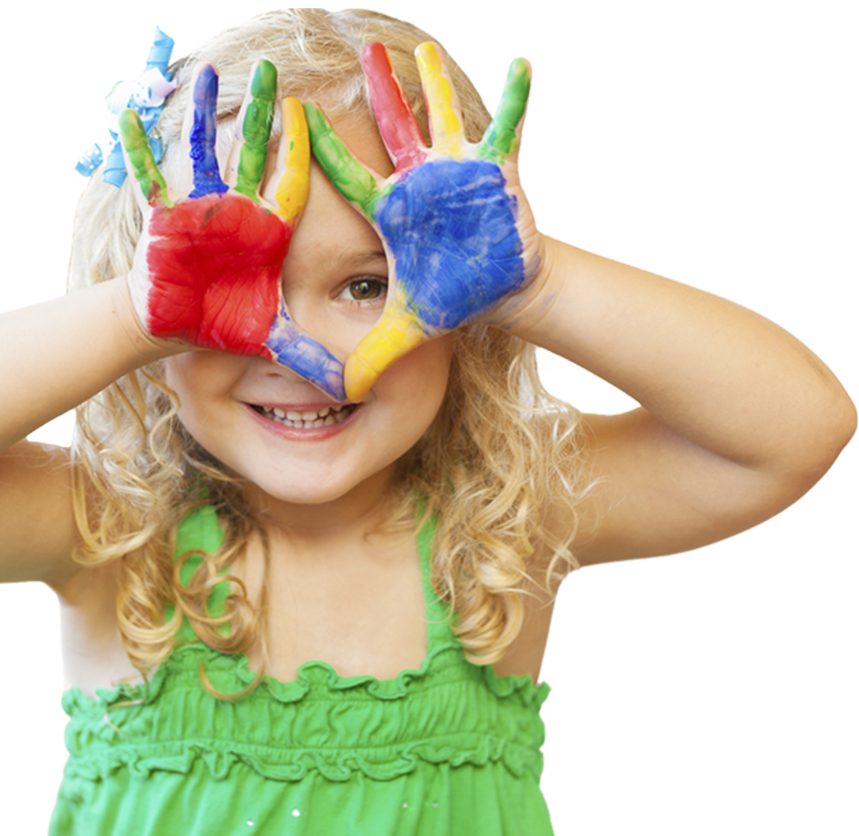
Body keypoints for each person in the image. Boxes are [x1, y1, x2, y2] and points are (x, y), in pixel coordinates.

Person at [0, 9, 853, 836]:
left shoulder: (503, 517)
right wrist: (130, 317)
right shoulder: (110, 523)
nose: (301, 350)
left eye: (367, 285)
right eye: (229, 286)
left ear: (468, 307)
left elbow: (795, 430)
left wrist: (537, 282)